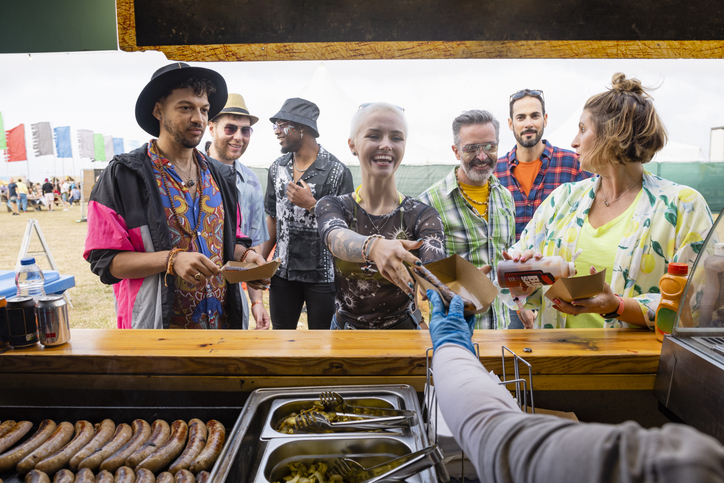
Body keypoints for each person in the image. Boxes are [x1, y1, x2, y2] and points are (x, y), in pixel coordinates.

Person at [426, 290, 724, 483]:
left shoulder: (684, 467)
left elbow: (498, 440)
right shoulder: (562, 204)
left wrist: (452, 348)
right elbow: (516, 293)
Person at [504, 73, 714, 329]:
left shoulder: (682, 207)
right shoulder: (563, 199)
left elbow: (697, 305)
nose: (574, 142)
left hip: (633, 366)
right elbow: (520, 270)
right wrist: (524, 275)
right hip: (556, 361)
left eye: (583, 129)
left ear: (613, 134)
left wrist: (618, 307)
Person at [84, 62, 267, 330]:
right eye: (185, 108)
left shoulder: (220, 176)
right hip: (157, 333)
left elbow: (230, 240)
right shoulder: (123, 175)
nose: (199, 119)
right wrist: (171, 260)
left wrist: (246, 257)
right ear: (158, 110)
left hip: (223, 331)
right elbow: (105, 261)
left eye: (204, 110)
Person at [317, 102, 445, 330]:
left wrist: (458, 286)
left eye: (396, 138)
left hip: (405, 333)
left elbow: (433, 269)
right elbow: (334, 236)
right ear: (352, 145)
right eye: (374, 136)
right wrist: (374, 248)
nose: (386, 145)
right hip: (345, 335)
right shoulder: (334, 205)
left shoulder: (422, 215)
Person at [419, 110, 518, 329]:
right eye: (472, 148)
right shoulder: (429, 203)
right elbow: (421, 277)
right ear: (456, 151)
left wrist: (521, 305)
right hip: (455, 332)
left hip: (500, 330)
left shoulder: (505, 198)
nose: (482, 156)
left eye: (490, 146)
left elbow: (507, 261)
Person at [261, 98, 354, 330]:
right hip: (282, 274)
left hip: (322, 277)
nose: (277, 132)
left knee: (322, 344)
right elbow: (271, 217)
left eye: (281, 125)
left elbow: (347, 229)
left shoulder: (337, 171)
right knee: (282, 341)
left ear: (302, 128)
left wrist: (313, 205)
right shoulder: (277, 168)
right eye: (276, 126)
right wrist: (261, 262)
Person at [206, 93, 270, 330]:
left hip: (232, 295)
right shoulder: (192, 173)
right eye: (230, 128)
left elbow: (254, 246)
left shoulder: (251, 181)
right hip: (195, 290)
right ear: (211, 128)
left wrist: (256, 302)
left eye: (246, 130)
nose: (238, 137)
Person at [495, 88, 592, 241]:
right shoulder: (495, 173)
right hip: (509, 263)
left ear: (545, 119)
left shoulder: (573, 164)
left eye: (534, 116)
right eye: (520, 118)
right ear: (510, 123)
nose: (528, 124)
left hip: (557, 263)